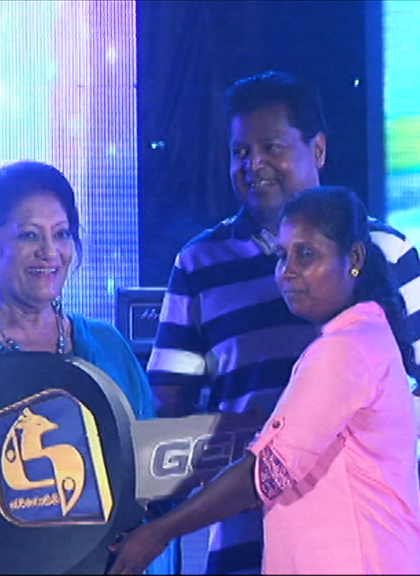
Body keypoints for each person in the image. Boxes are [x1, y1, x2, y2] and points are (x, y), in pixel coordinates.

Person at [147, 70, 420, 574]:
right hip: (238, 544)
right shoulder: (199, 263)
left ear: (318, 149)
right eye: (240, 151)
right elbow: (167, 411)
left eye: (271, 146)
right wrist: (242, 439)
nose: (254, 164)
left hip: (355, 546)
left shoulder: (389, 252)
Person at [109, 185, 420, 575]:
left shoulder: (345, 349)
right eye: (282, 255)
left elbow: (266, 473)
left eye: (306, 254)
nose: (287, 271)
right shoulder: (363, 336)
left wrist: (156, 534)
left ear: (354, 258)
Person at [0, 159, 176, 575]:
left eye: (61, 234)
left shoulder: (107, 345)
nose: (50, 252)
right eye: (29, 235)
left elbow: (152, 477)